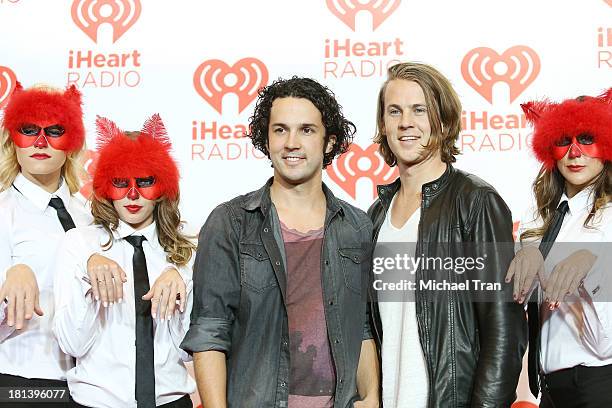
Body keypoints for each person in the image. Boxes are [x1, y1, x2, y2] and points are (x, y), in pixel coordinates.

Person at [181, 77, 379, 408]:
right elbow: (210, 331)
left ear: (329, 142)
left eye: (306, 130)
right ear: (266, 137)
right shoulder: (230, 223)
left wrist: (371, 394)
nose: (291, 142)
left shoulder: (357, 227)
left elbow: (361, 327)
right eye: (280, 130)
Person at [368, 62, 527, 407]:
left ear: (443, 120)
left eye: (419, 110)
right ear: (383, 124)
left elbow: (504, 329)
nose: (405, 122)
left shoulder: (475, 201)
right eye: (394, 111)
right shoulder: (375, 215)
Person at [52, 114, 196, 408]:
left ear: (163, 184)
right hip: (97, 402)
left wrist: (184, 285)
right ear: (106, 185)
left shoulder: (191, 245)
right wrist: (88, 284)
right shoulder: (79, 244)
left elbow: (190, 349)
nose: (132, 194)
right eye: (120, 182)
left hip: (170, 401)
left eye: (145, 181)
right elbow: (71, 345)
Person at [506, 88, 612, 408]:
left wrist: (594, 259)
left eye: (586, 138)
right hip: (552, 386)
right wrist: (527, 249)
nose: (574, 153)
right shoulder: (543, 217)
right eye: (564, 141)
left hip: (600, 379)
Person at [0, 83, 92, 407]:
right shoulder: (2, 212)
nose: (41, 142)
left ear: (72, 142)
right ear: (14, 139)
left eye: (54, 130)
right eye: (29, 130)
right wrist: (10, 288)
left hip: (90, 388)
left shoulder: (90, 219)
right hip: (17, 385)